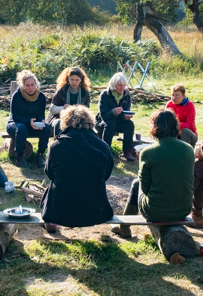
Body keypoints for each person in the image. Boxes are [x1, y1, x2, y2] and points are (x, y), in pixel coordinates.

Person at [111, 109, 194, 238]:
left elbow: (144, 187)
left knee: (136, 183)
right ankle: (124, 227)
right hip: (184, 209)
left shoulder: (149, 152)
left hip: (156, 211)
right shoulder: (189, 149)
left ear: (154, 127)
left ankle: (124, 228)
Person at [41, 105, 115, 230]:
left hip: (62, 209)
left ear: (65, 122)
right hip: (95, 209)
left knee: (52, 188)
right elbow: (106, 174)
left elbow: (50, 173)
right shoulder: (103, 146)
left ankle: (51, 222)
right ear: (90, 122)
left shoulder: (56, 146)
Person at [6, 70, 51, 169]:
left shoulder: (41, 97)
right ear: (23, 85)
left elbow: (40, 115)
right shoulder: (17, 96)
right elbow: (15, 116)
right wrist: (28, 121)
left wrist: (41, 121)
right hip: (16, 123)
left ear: (36, 84)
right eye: (27, 85)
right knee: (22, 128)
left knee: (46, 128)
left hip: (33, 124)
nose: (30, 88)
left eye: (32, 84)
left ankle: (40, 155)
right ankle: (20, 157)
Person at [96, 72, 136, 162]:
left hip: (118, 122)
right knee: (110, 124)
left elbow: (126, 111)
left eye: (124, 85)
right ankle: (106, 151)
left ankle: (127, 151)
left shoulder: (126, 95)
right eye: (119, 85)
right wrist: (113, 112)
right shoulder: (105, 95)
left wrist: (125, 117)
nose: (122, 87)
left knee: (130, 124)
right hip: (103, 122)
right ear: (114, 85)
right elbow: (104, 116)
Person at [46, 66, 91, 137]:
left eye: (77, 80)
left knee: (85, 126)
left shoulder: (85, 93)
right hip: (59, 117)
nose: (74, 82)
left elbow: (86, 110)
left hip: (79, 118)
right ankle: (59, 145)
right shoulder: (62, 91)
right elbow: (52, 109)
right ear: (68, 79)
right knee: (59, 123)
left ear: (81, 80)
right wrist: (63, 108)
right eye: (72, 79)